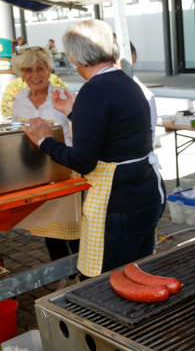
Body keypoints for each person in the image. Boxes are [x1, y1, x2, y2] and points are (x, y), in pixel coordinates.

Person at [22, 20, 166, 278]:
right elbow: (114, 132)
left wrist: (44, 140)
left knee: (110, 280)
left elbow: (83, 161)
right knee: (139, 274)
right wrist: (75, 112)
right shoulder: (126, 82)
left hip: (119, 200)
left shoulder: (94, 90)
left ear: (75, 56)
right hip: (147, 191)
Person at [10, 46, 79, 271]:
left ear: (49, 69)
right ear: (22, 74)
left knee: (74, 229)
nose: (35, 75)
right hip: (37, 174)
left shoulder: (63, 95)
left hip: (65, 170)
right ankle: (64, 276)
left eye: (40, 68)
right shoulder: (19, 100)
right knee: (50, 230)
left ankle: (82, 275)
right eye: (28, 70)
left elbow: (81, 131)